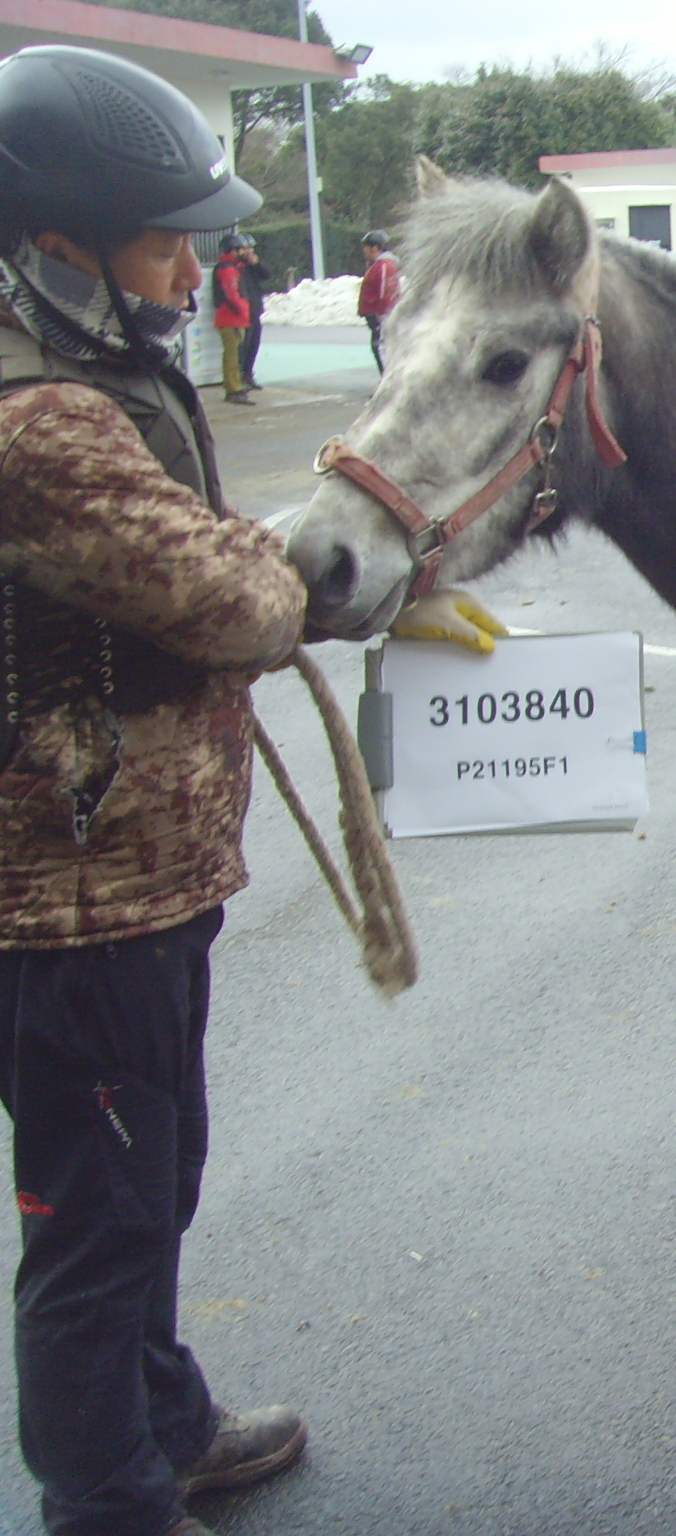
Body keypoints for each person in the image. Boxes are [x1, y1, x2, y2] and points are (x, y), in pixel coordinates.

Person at [0, 45, 313, 1536]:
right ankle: (108, 1502)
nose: (194, 264)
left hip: (134, 879)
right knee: (100, 1214)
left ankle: (162, 1424)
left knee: (150, 1182)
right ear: (56, 246)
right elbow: (230, 599)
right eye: (162, 237)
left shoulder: (93, 370)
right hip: (74, 901)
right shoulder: (38, 422)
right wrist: (304, 571)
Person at [224, 233, 271, 390]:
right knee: (242, 348)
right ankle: (239, 378)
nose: (248, 252)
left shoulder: (249, 267)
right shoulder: (233, 268)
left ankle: (248, 374)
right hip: (243, 313)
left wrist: (255, 263)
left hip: (254, 311)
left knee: (253, 345)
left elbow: (266, 275)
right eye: (245, 248)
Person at [208, 237, 251, 405]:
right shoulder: (228, 270)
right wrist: (243, 311)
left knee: (233, 355)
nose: (244, 252)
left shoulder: (232, 267)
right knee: (233, 357)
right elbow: (232, 295)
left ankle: (235, 386)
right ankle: (234, 389)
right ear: (233, 251)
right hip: (232, 319)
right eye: (240, 249)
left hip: (232, 318)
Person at [357, 228, 398, 373]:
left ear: (375, 247)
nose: (364, 250)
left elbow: (384, 291)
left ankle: (388, 379)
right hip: (375, 315)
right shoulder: (378, 265)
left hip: (380, 316)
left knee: (380, 348)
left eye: (366, 247)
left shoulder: (384, 266)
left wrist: (381, 313)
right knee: (379, 348)